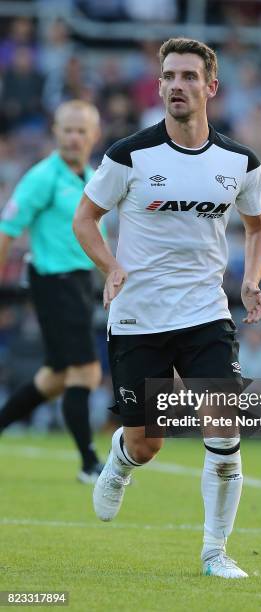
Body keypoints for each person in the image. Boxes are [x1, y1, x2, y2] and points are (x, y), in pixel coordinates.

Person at [73, 38, 261, 578]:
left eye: (187, 76)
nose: (175, 85)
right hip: (138, 317)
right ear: (159, 86)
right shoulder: (129, 155)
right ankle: (120, 457)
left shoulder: (239, 162)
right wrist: (110, 265)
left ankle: (215, 552)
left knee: (225, 427)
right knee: (148, 443)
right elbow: (85, 219)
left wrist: (251, 280)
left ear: (211, 87)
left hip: (206, 314)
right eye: (167, 76)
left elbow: (259, 228)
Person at [0, 100, 104, 483]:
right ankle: (89, 462)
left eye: (82, 131)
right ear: (55, 132)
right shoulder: (42, 177)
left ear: (94, 136)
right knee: (87, 371)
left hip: (79, 284)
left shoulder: (91, 176)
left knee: (55, 378)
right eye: (67, 129)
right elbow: (7, 229)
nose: (74, 137)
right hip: (54, 282)